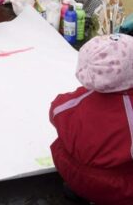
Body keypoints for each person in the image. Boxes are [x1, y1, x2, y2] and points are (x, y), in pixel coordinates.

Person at [49, 34, 133, 205]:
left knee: (61, 141)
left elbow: (55, 112)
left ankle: (77, 191)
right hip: (115, 187)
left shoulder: (69, 103)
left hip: (71, 172)